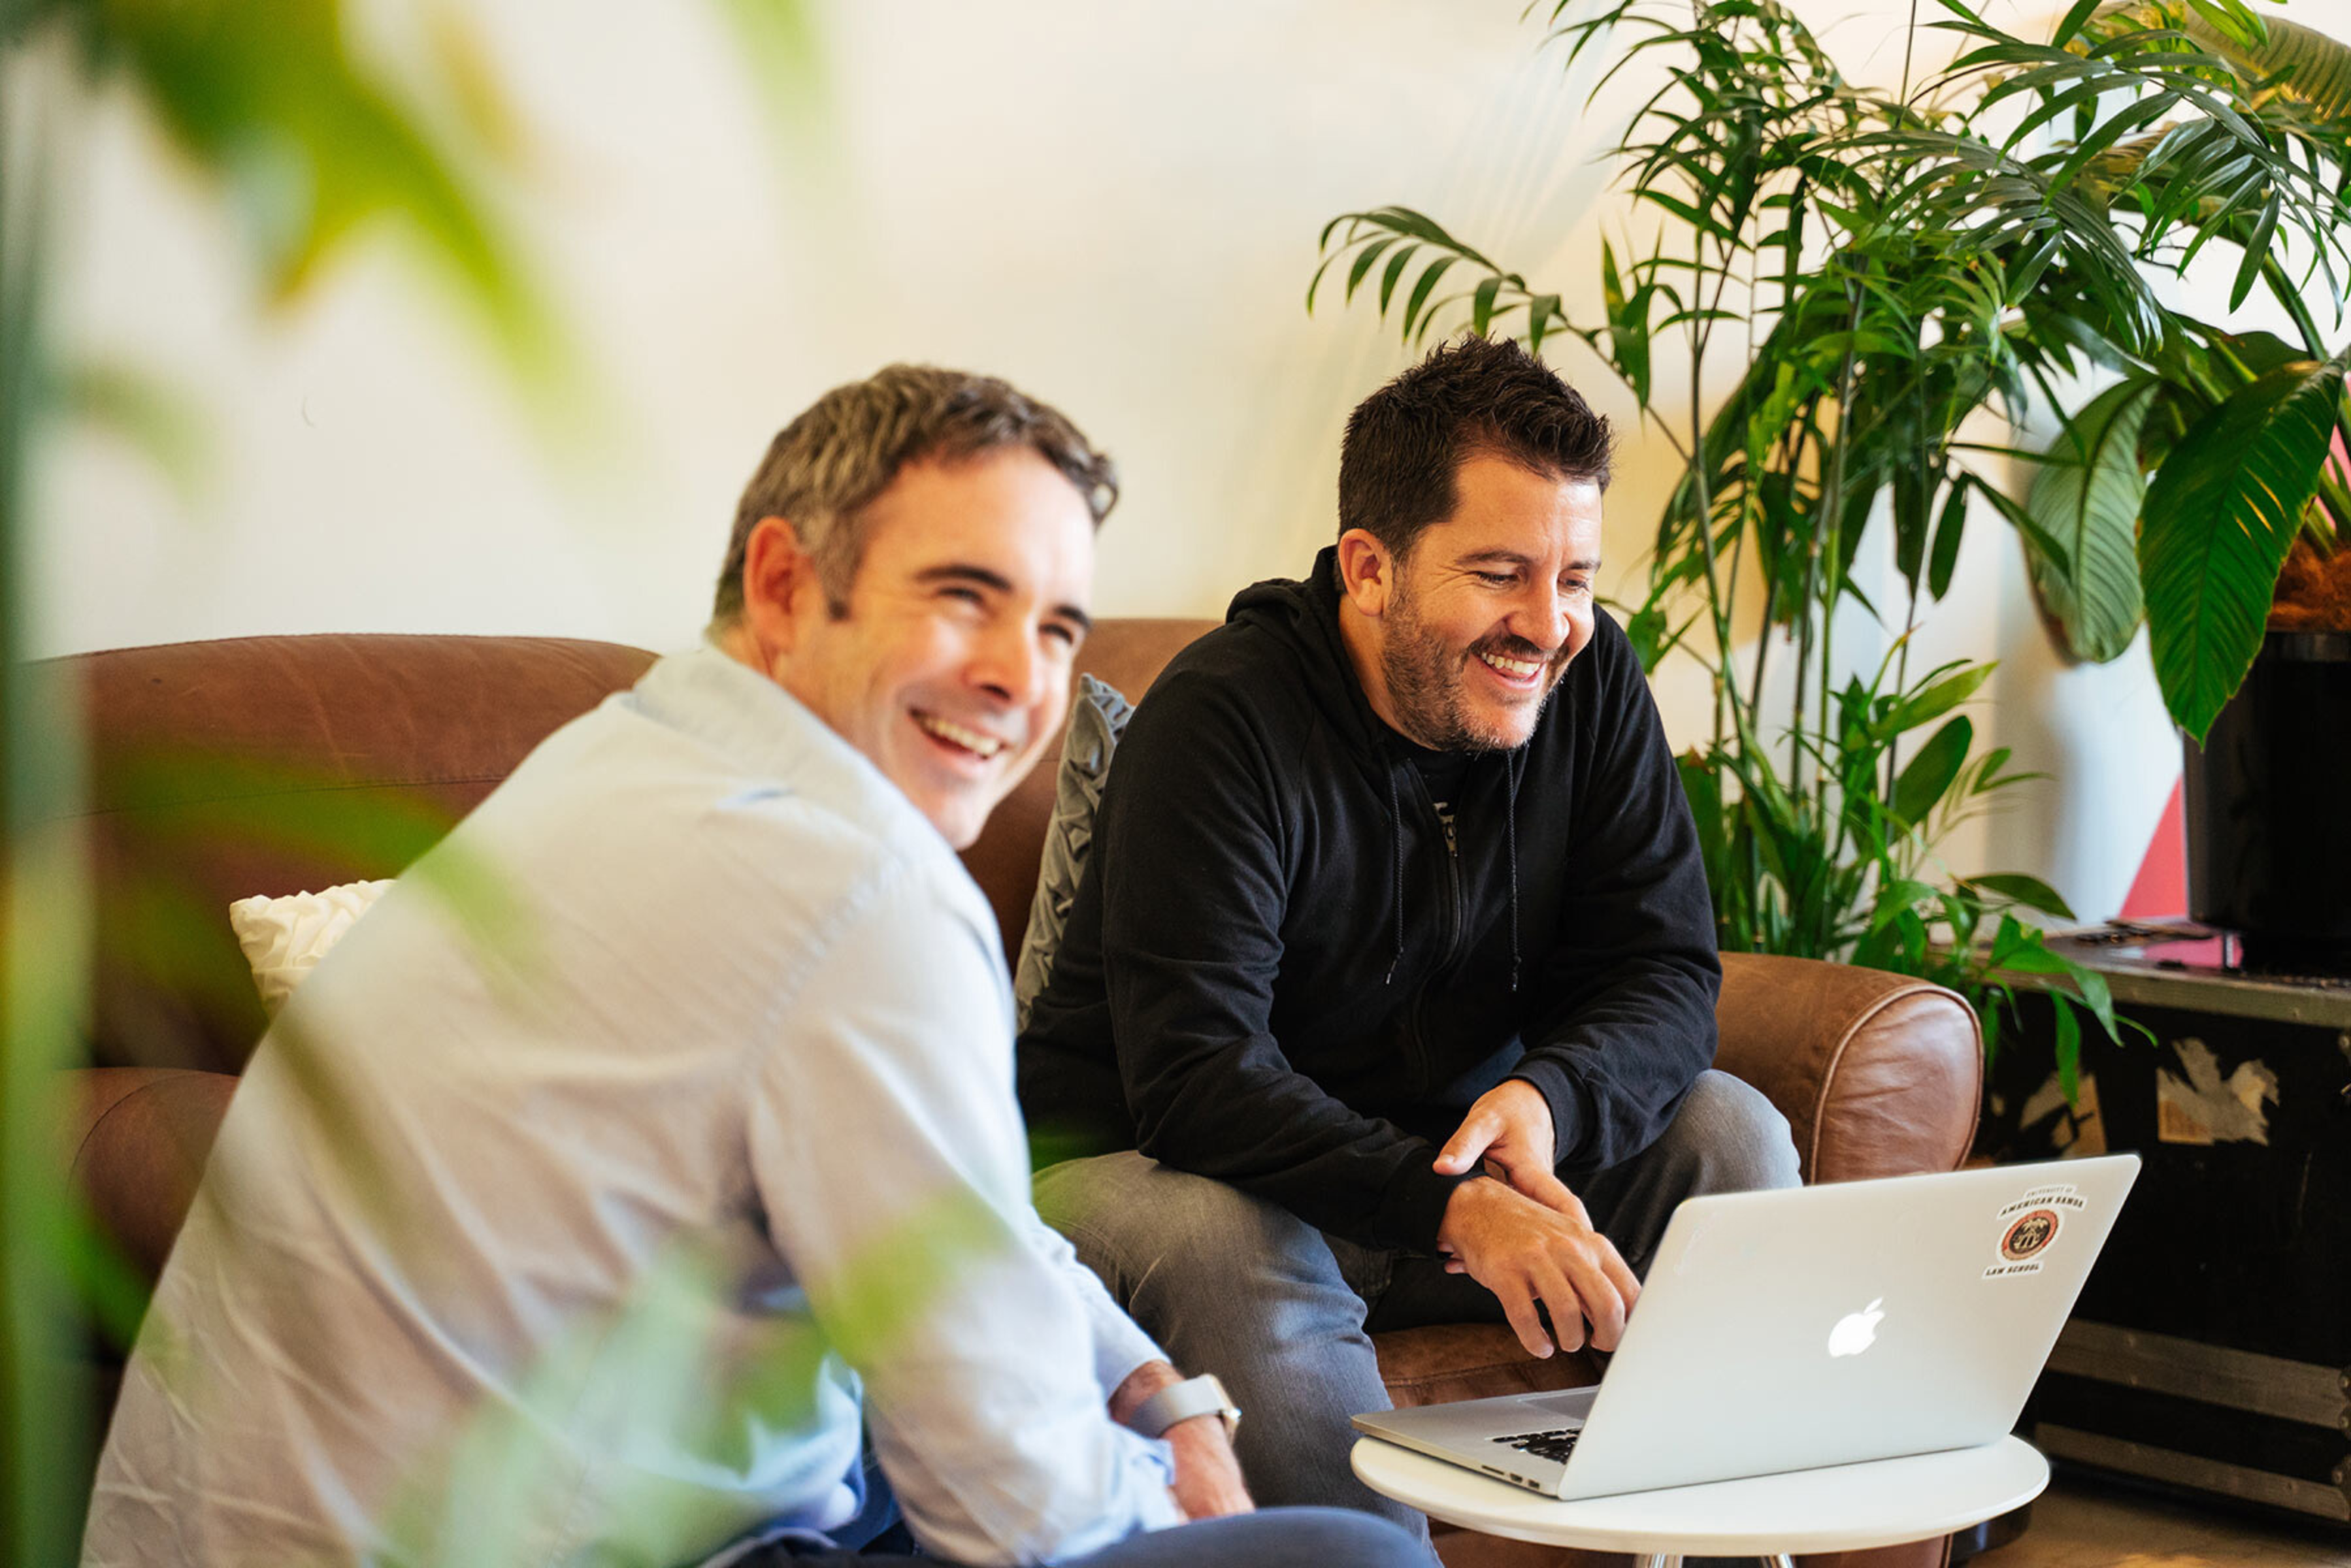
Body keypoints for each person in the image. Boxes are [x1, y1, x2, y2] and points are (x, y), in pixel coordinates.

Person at [84, 365, 1422, 1568]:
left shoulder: (619, 771)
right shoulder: (855, 891)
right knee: (1335, 1566)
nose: (1024, 680)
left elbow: (955, 1224)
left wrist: (1145, 1389)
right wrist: (1180, 1503)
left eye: (1060, 629)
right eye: (967, 598)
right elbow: (1021, 1515)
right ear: (783, 586)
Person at [1016, 336, 1803, 1533]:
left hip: (1445, 1159)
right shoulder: (1220, 719)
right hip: (1160, 1169)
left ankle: (1722, 1553)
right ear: (1369, 568)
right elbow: (1195, 1081)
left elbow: (1661, 970)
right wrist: (1456, 1209)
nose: (1550, 625)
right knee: (1219, 1233)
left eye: (1575, 577)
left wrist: (1548, 1104)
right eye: (1500, 573)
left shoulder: (1589, 684)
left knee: (1725, 1131)